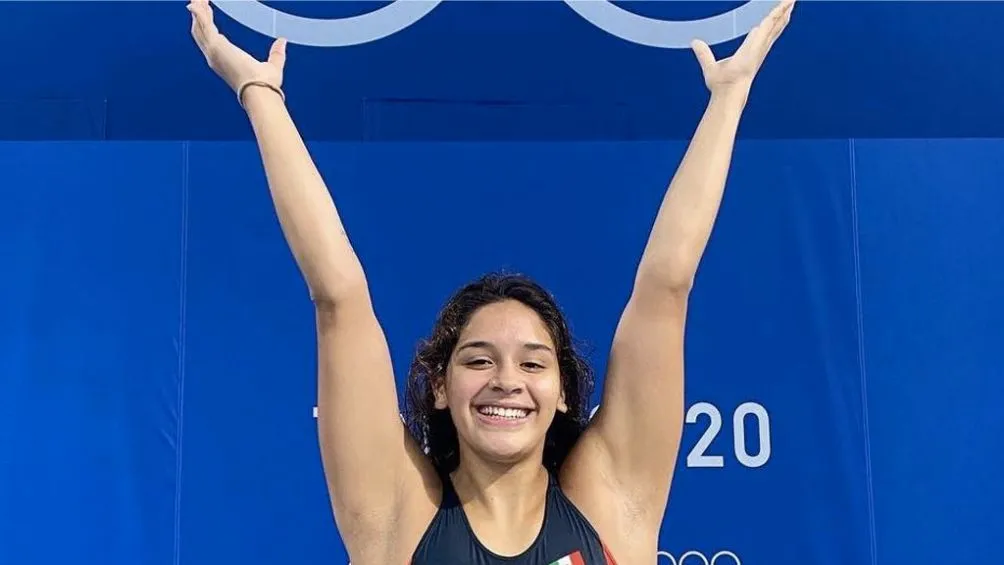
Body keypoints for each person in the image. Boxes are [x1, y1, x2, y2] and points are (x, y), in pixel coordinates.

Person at [186, 0, 795, 562]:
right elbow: (338, 296)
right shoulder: (398, 516)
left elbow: (666, 287)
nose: (507, 382)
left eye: (533, 364)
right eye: (478, 360)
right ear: (441, 387)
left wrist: (728, 99)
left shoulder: (610, 504)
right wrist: (258, 93)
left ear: (562, 392)